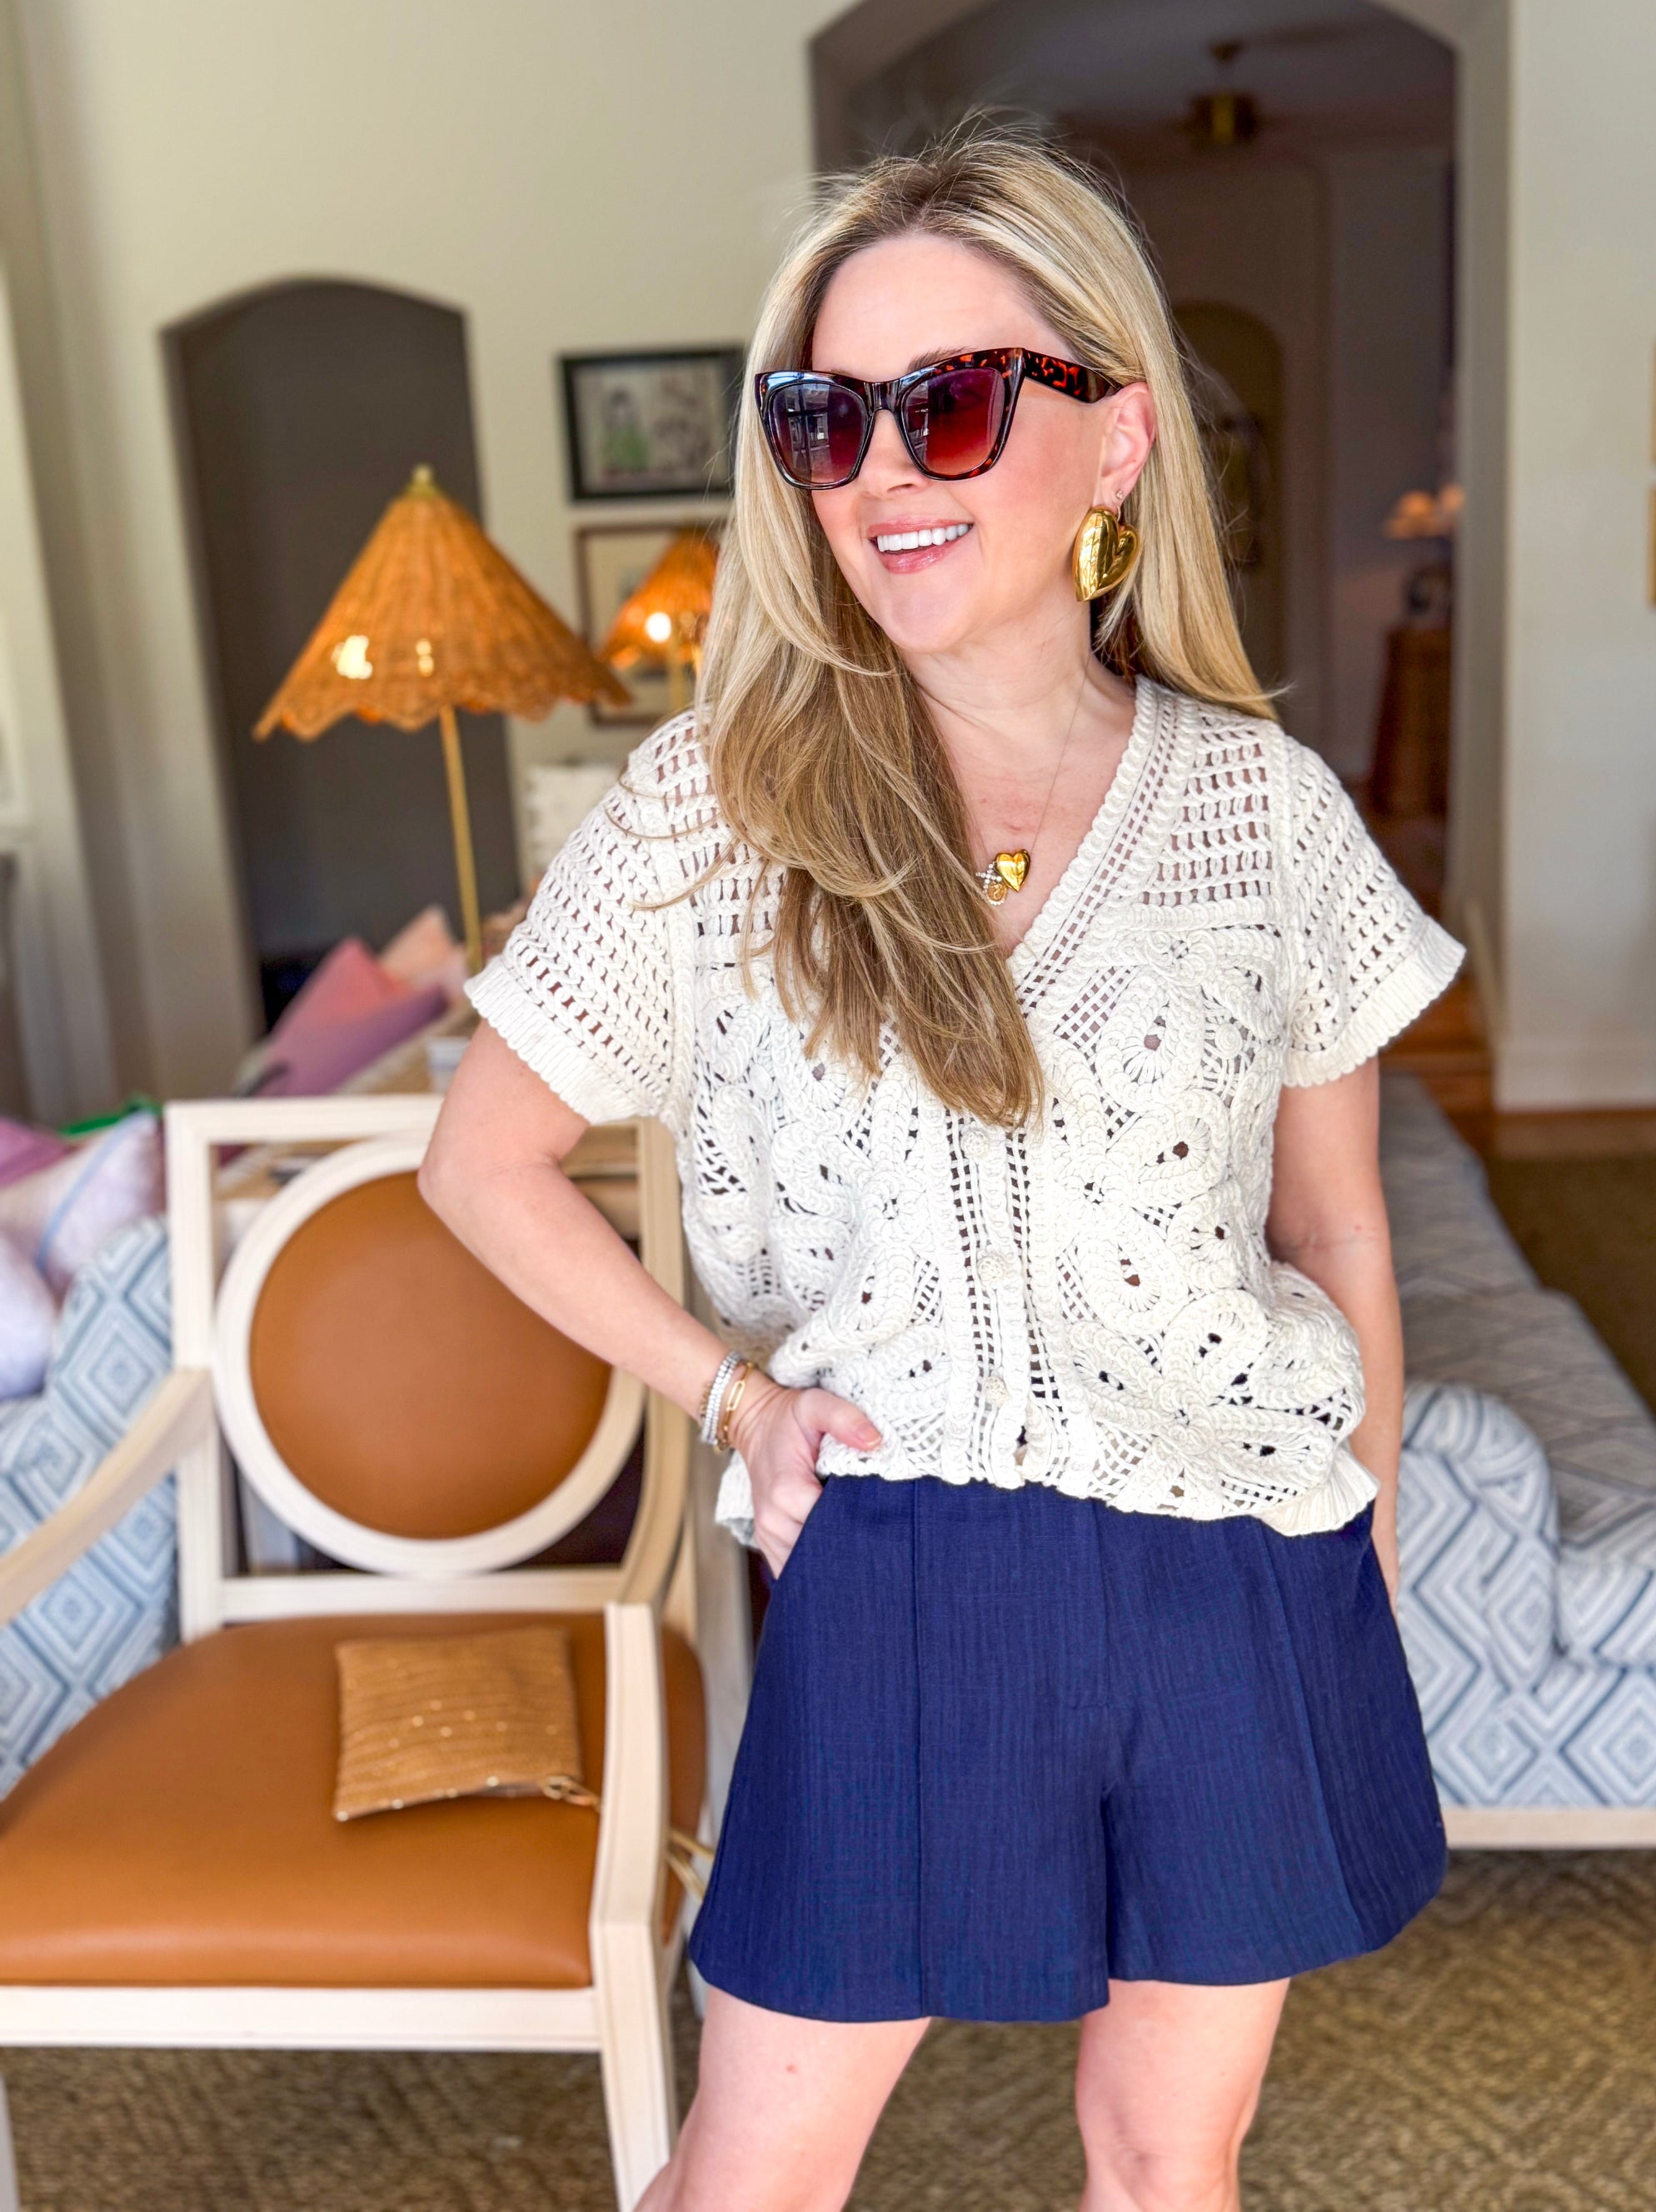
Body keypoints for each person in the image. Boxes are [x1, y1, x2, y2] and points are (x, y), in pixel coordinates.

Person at [421, 127, 1461, 2212]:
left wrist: (1361, 1495)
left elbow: (1334, 1215)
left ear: (1115, 438)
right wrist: (733, 1395)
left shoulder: (1262, 812)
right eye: (828, 417)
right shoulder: (719, 807)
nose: (884, 469)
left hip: (1233, 1554)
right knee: (753, 2172)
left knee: (1167, 2154)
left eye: (955, 400)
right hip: (904, 1560)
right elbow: (483, 1160)